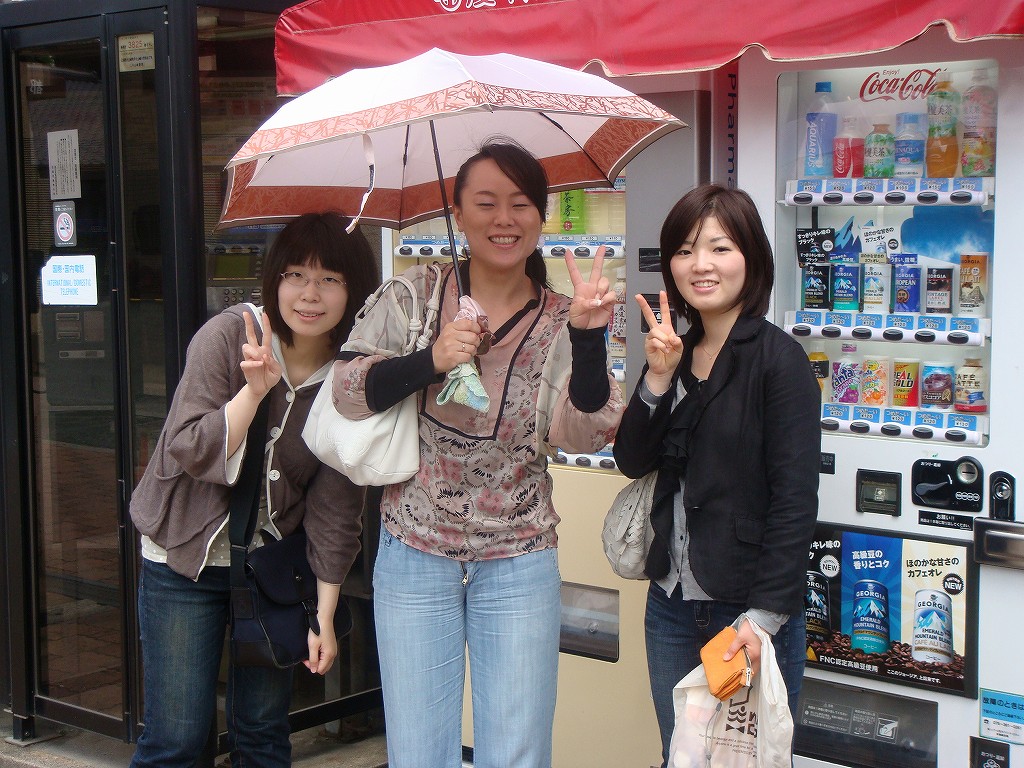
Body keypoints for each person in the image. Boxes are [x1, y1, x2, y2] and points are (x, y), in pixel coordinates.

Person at [332, 140, 623, 767]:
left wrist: (588, 340)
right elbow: (347, 390)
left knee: (517, 754)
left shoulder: (560, 317)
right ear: (458, 214)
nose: (504, 219)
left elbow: (585, 433)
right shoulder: (414, 295)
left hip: (519, 560)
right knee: (418, 753)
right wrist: (429, 360)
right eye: (486, 203)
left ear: (541, 216)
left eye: (521, 204)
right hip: (414, 553)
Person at [128, 211, 379, 768]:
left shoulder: (349, 376)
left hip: (270, 572)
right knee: (176, 738)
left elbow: (337, 507)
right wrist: (253, 392)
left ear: (353, 290)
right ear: (275, 280)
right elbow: (189, 448)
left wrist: (323, 614)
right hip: (182, 558)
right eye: (296, 275)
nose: (309, 294)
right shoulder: (228, 336)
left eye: (330, 279)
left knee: (263, 735)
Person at [612, 184, 820, 766]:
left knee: (742, 760)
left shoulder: (779, 361)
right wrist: (657, 379)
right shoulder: (674, 352)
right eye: (684, 250)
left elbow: (795, 501)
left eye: (719, 248)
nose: (700, 264)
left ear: (751, 258)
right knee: (681, 756)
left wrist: (764, 618)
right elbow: (631, 460)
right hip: (671, 605)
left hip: (745, 612)